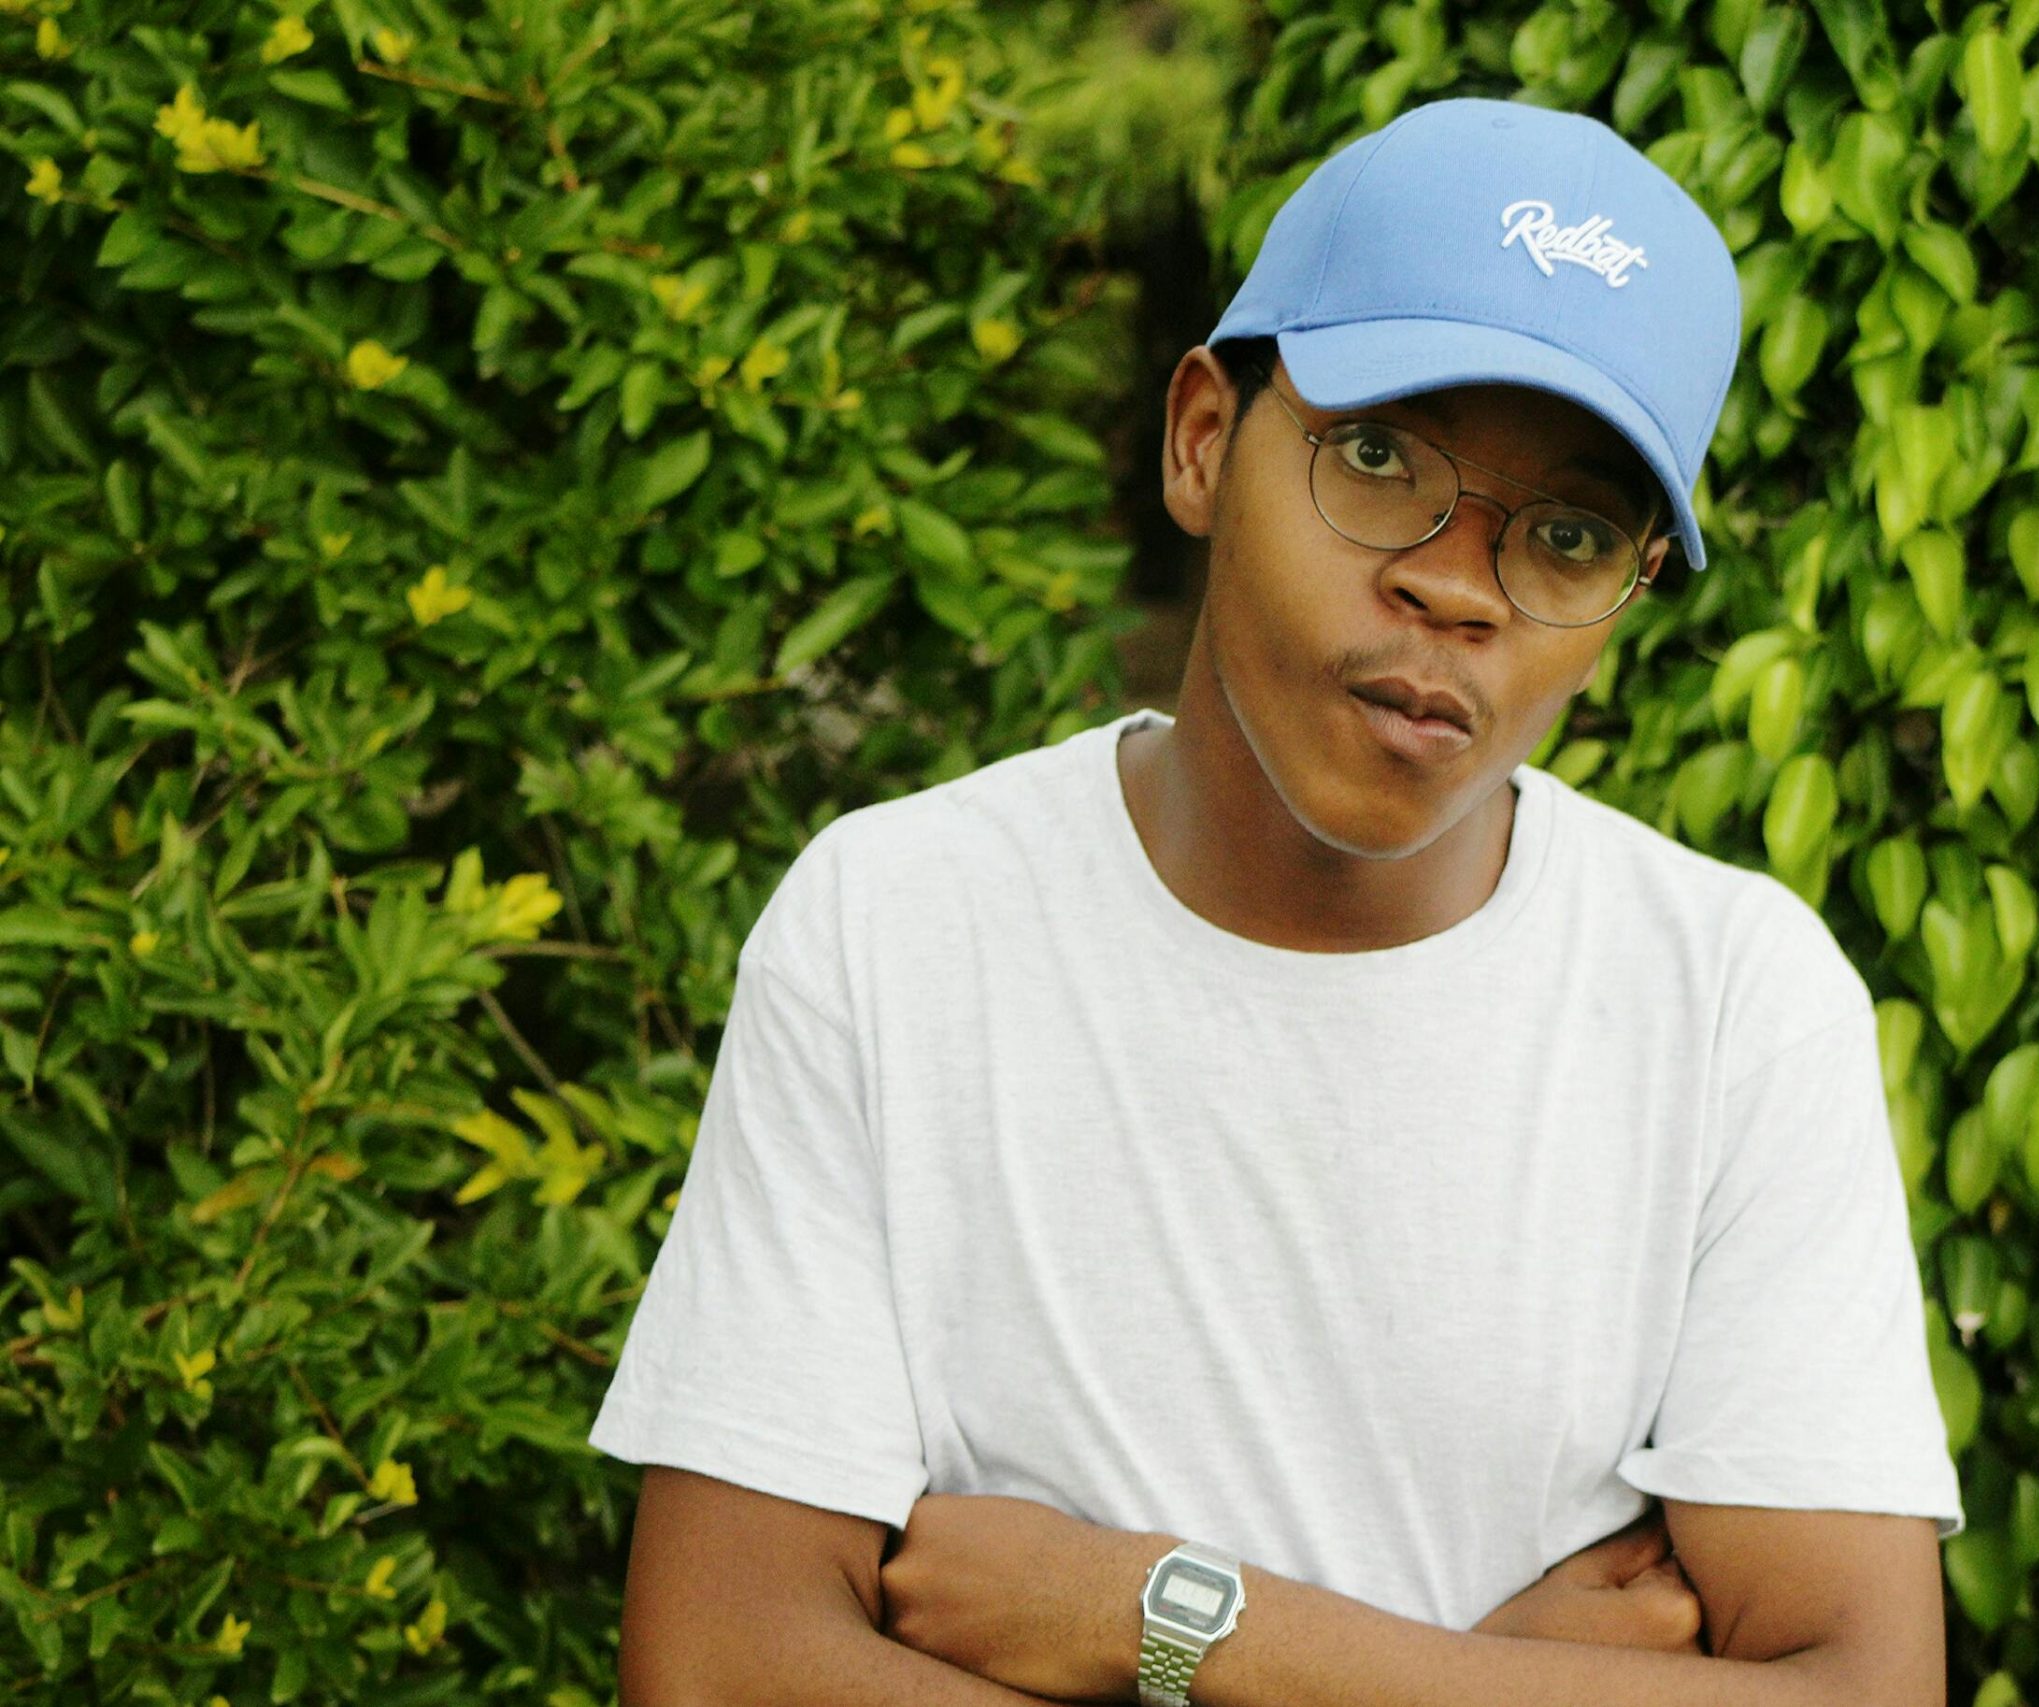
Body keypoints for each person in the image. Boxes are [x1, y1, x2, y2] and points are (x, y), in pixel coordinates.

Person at [590, 95, 1964, 1707]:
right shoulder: (901, 925)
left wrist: (1166, 1622)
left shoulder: (1729, 999)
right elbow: (711, 1673)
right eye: (1379, 456)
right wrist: (1482, 1682)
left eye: (1573, 533)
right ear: (1199, 441)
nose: (1455, 585)